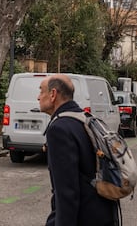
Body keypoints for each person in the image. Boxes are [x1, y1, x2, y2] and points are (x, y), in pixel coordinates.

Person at [38, 74, 119, 226]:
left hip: (84, 217)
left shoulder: (59, 129)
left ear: (53, 94)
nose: (38, 97)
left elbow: (67, 193)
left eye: (41, 91)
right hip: (103, 212)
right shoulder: (85, 118)